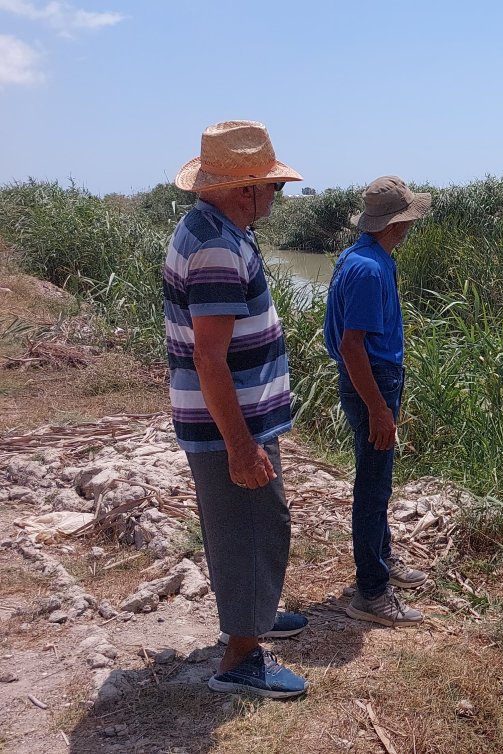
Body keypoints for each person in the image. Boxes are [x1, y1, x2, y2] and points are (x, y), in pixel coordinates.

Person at [164, 120, 308, 698]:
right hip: (231, 422)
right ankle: (241, 658)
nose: (276, 196)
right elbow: (210, 357)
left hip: (233, 416)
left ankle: (257, 613)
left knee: (250, 525)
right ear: (245, 189)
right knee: (251, 526)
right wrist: (241, 444)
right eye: (272, 187)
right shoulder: (219, 247)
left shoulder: (212, 228)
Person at [324, 176, 432, 627]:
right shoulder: (369, 269)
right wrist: (379, 407)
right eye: (408, 219)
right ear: (397, 222)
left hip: (372, 379)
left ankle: (381, 562)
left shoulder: (362, 256)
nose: (410, 227)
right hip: (372, 381)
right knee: (372, 489)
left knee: (376, 481)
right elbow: (352, 347)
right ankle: (371, 591)